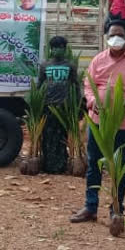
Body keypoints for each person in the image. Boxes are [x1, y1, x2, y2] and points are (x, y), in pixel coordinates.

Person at [70, 20, 125, 223]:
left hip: (122, 124)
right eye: (113, 34)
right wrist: (93, 100)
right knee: (94, 164)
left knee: (118, 166)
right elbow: (88, 84)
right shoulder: (98, 60)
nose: (116, 38)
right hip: (98, 122)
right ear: (106, 37)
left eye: (120, 35)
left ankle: (116, 209)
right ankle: (90, 207)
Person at [38, 36, 80, 174]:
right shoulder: (45, 65)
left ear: (64, 49)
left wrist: (78, 105)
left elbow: (76, 86)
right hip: (48, 106)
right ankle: (48, 165)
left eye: (60, 47)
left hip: (64, 107)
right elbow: (39, 86)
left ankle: (61, 165)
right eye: (55, 47)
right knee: (48, 136)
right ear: (51, 49)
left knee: (61, 136)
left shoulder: (70, 66)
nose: (57, 50)